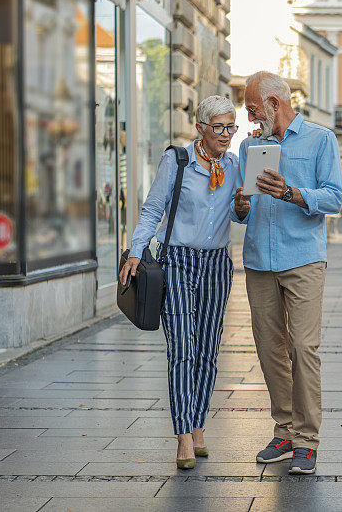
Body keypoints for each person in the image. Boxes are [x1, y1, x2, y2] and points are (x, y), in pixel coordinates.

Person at [119, 95, 240, 470]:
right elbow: (153, 208)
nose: (225, 134)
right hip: (178, 262)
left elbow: (239, 214)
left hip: (217, 264)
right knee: (183, 349)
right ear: (200, 128)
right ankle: (183, 435)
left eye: (230, 127)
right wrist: (137, 250)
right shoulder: (177, 160)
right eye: (218, 127)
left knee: (207, 350)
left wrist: (243, 209)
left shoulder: (235, 165)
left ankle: (198, 422)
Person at [231, 71, 342, 475]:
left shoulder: (320, 139)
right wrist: (240, 208)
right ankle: (284, 429)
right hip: (260, 259)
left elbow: (334, 198)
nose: (251, 117)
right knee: (269, 350)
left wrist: (291, 193)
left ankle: (307, 441)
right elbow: (239, 210)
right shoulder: (249, 147)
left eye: (253, 109)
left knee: (304, 348)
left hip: (303, 259)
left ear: (276, 103)